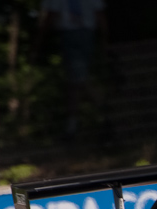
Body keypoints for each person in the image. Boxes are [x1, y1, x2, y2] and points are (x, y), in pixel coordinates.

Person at [36, 0, 108, 140]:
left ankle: (105, 108)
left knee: (78, 79)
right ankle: (73, 125)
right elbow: (99, 15)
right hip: (82, 34)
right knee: (73, 82)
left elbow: (51, 15)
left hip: (76, 35)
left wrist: (38, 42)